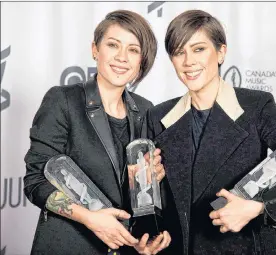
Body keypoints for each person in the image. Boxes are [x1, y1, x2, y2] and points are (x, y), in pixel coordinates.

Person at [144, 9, 276, 255]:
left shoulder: (256, 106)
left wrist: (258, 207)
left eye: (199, 49)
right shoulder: (158, 116)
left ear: (221, 52)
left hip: (243, 247)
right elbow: (159, 202)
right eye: (179, 52)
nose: (188, 61)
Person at [24, 10, 171, 255]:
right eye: (113, 45)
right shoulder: (63, 100)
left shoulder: (146, 110)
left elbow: (143, 198)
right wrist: (90, 218)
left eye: (133, 50)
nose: (122, 57)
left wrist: (144, 239)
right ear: (95, 49)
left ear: (142, 60)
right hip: (68, 246)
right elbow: (35, 181)